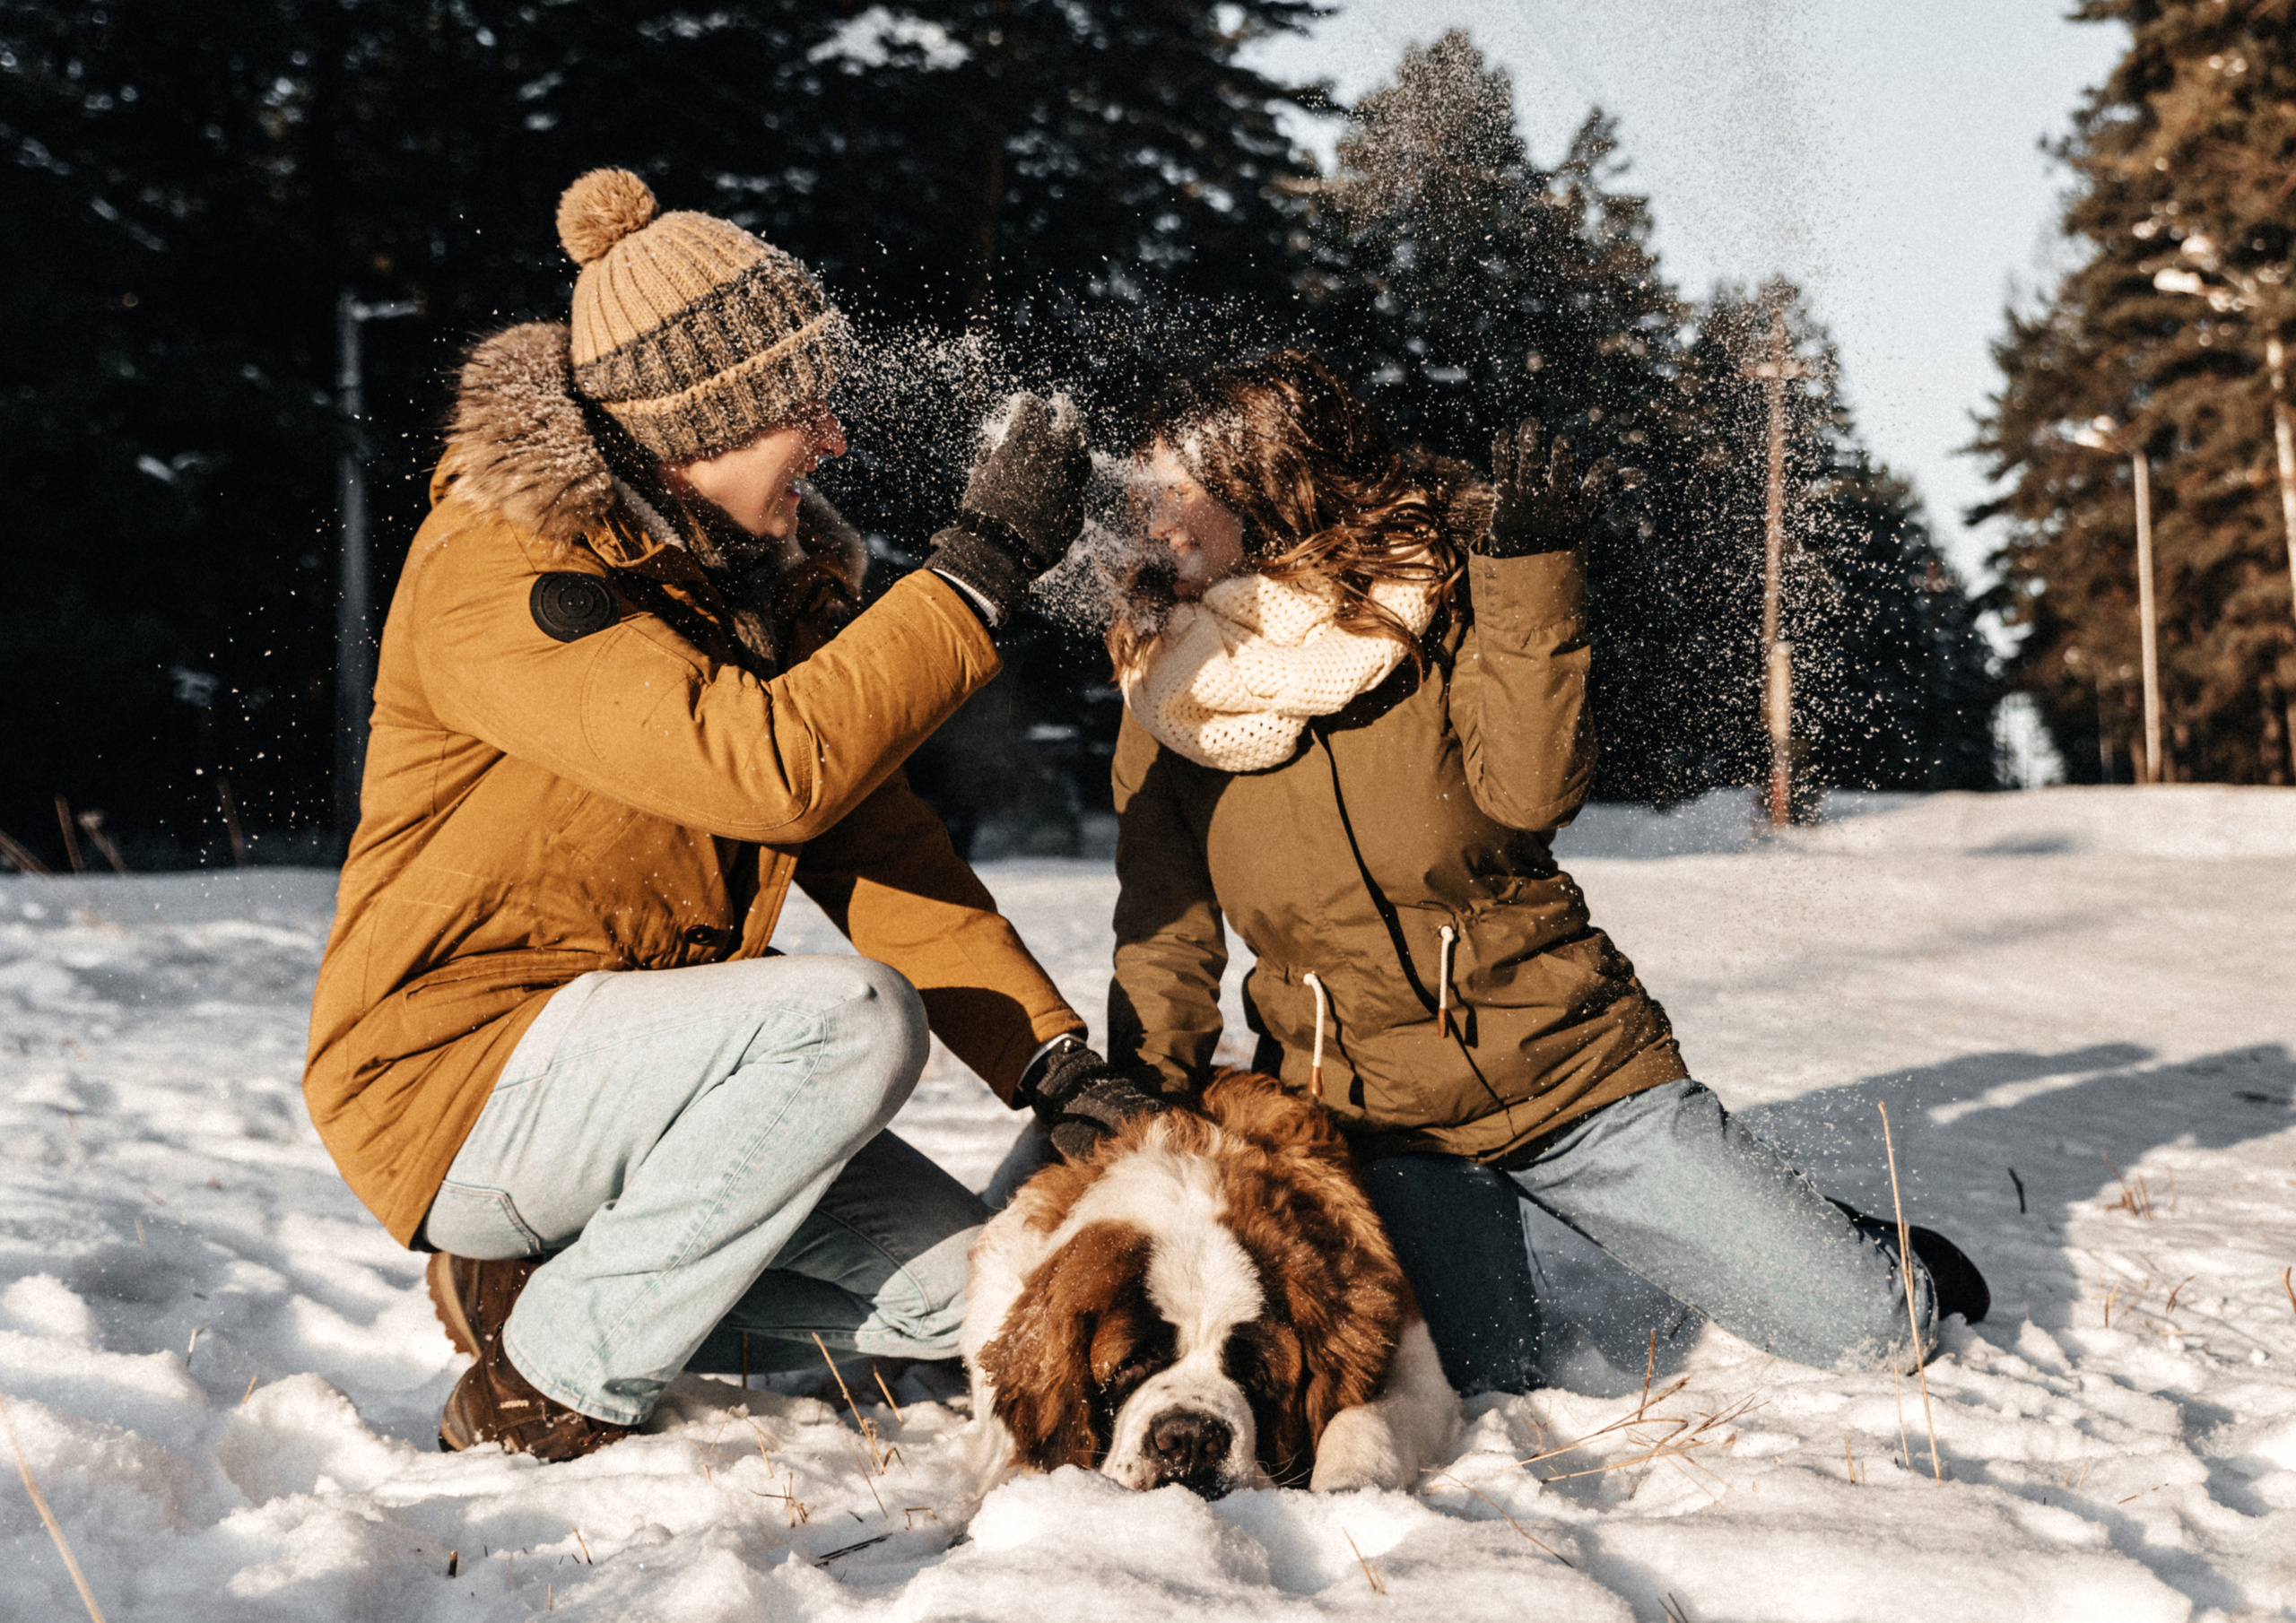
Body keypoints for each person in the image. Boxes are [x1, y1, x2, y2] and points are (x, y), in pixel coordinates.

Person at [304, 168, 1154, 1461]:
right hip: (460, 1075)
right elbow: (767, 768)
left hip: (653, 1087)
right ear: (701, 424)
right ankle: (539, 1382)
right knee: (850, 1019)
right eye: (800, 410)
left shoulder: (754, 580)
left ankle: (539, 1282)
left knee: (972, 1294)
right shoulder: (503, 565)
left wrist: (1049, 1058)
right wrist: (971, 579)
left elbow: (865, 831)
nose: (832, 441)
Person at [1095, 350, 1987, 1397]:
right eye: (1141, 494)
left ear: (1266, 481)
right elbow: (1166, 929)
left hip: (1575, 1075)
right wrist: (1142, 1102)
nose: (1149, 523)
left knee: (1872, 1331)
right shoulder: (1169, 687)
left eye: (1173, 492)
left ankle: (1822, 1244)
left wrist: (1529, 581)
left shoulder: (1435, 604)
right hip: (1379, 1123)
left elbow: (1529, 795)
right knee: (1484, 1382)